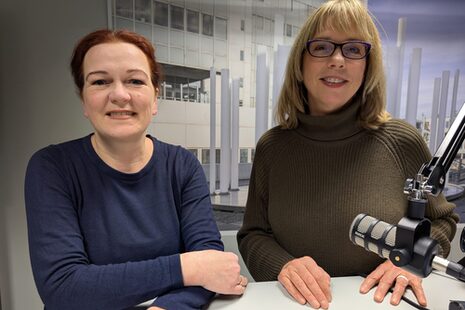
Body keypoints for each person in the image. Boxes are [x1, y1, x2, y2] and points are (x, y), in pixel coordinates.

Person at [237, 0, 459, 309]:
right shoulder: (272, 148)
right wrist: (283, 267)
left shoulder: (402, 140)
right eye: (323, 47)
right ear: (300, 63)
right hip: (294, 304)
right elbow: (253, 234)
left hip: (382, 303)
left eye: (354, 50)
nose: (338, 60)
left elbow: (442, 220)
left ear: (368, 67)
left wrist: (407, 264)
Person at [24, 29, 248, 310]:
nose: (119, 95)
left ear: (155, 97)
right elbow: (64, 288)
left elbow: (213, 268)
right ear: (83, 98)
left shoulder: (182, 166)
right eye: (100, 81)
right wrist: (187, 267)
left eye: (134, 80)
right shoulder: (52, 167)